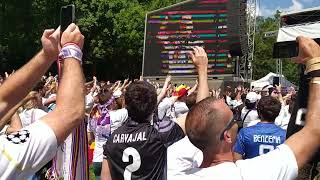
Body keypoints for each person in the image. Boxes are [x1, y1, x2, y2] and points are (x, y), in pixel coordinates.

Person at [169, 36, 320, 180]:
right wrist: (316, 62)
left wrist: (202, 71)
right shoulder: (248, 174)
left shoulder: (173, 167)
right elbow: (313, 132)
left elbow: (202, 116)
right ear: (227, 135)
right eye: (233, 118)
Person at [101, 46, 209, 180]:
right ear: (154, 106)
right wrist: (202, 70)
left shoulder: (112, 140)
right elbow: (200, 114)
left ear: (126, 104)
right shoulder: (159, 133)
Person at [0, 23, 85, 179]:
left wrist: (47, 55)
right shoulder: (5, 157)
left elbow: (3, 99)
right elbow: (69, 114)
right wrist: (72, 50)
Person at [233, 96, 286, 160]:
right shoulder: (285, 135)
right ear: (277, 114)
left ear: (259, 112)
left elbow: (236, 159)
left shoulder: (245, 133)